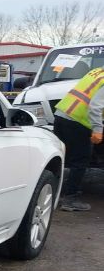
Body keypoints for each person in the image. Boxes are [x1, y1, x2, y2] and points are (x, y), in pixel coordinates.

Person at [53, 66, 104, 211]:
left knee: (63, 158)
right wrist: (98, 129)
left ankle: (54, 193)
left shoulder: (97, 72)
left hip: (62, 115)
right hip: (78, 121)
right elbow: (95, 107)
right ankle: (70, 199)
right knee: (80, 161)